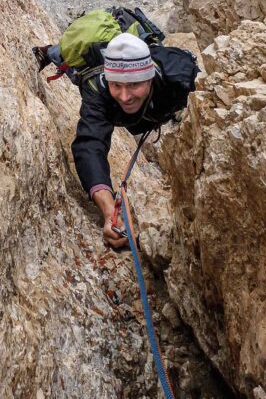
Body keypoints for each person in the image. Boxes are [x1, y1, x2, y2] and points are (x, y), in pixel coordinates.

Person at [71, 31, 194, 250]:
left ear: (149, 77)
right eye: (116, 85)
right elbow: (90, 145)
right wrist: (110, 213)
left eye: (133, 85)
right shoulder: (98, 87)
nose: (125, 96)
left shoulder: (177, 75)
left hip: (161, 109)